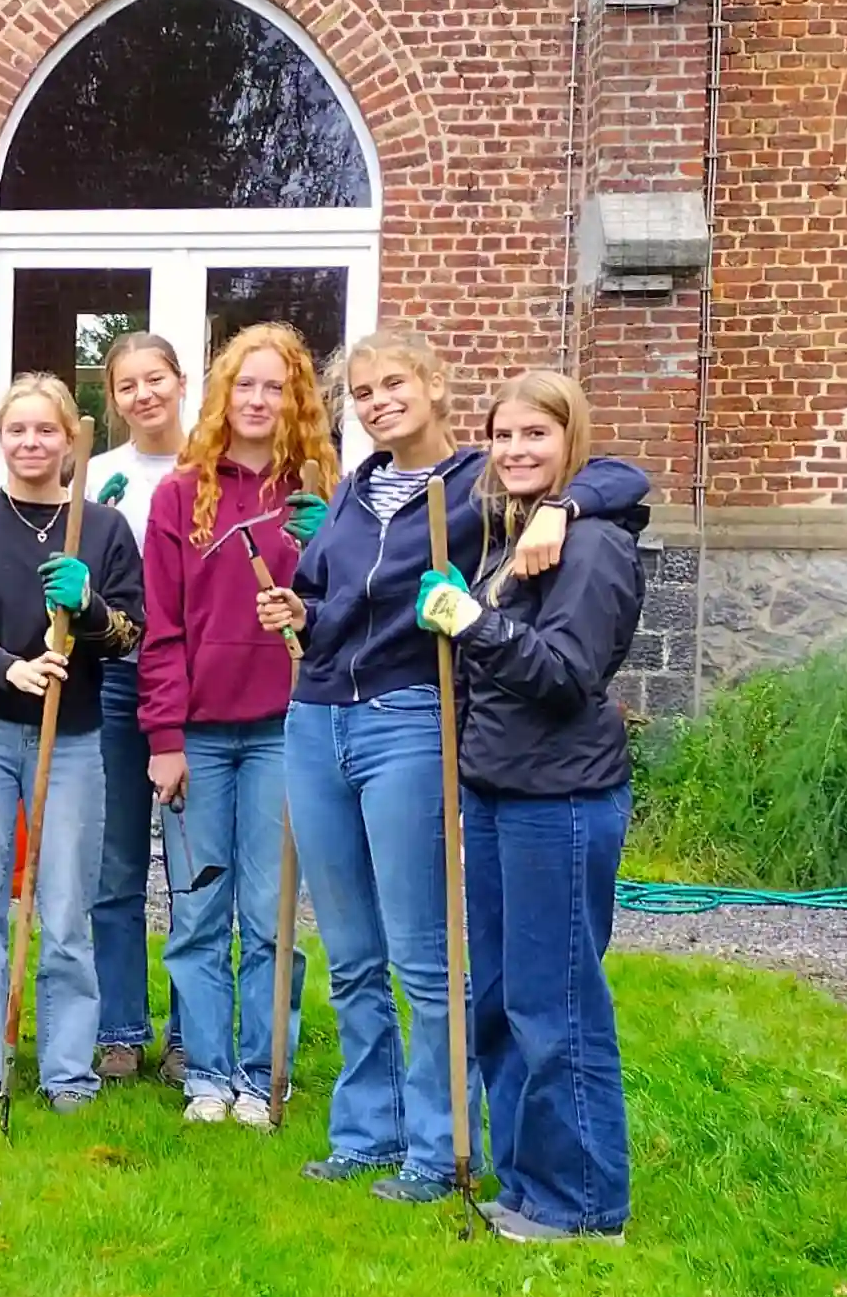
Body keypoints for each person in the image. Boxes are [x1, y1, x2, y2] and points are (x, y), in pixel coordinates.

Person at [254, 327, 649, 1204]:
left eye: (393, 383)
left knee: (423, 953)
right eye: (361, 393)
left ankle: (437, 1145)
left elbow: (619, 478)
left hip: (407, 718)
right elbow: (331, 602)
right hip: (316, 715)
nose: (378, 402)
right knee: (351, 952)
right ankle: (366, 1130)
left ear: (434, 385)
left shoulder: (482, 484)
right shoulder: (352, 492)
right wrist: (300, 612)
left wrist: (563, 507)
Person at [415, 371, 644, 1244]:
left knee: (556, 1004)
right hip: (498, 790)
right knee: (502, 1000)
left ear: (569, 440)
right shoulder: (514, 534)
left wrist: (474, 623)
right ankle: (526, 1187)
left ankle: (583, 1205)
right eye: (503, 435)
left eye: (535, 435)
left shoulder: (592, 546)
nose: (515, 450)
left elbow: (564, 675)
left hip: (561, 797)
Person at [134, 323, 339, 1127]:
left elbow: (345, 612)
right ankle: (206, 1075)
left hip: (285, 729)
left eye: (274, 387)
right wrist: (163, 738)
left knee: (269, 915)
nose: (257, 400)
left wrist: (320, 571)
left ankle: (262, 1073)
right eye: (243, 385)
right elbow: (160, 628)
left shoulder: (321, 494)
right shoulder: (180, 495)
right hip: (199, 734)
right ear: (222, 394)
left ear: (296, 400)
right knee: (196, 915)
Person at [0, 373, 143, 1112]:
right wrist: (10, 667)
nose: (30, 442)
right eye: (17, 430)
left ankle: (67, 1073)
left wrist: (88, 606)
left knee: (65, 909)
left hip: (72, 736)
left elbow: (128, 633)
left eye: (45, 430)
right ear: (0, 438)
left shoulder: (102, 530)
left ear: (69, 440)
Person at [82, 330, 192, 1082]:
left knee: (191, 866)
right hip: (117, 675)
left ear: (180, 382)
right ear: (113, 398)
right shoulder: (97, 477)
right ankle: (120, 1028)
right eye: (127, 385)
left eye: (155, 379)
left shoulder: (210, 467)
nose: (143, 394)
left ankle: (190, 1032)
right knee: (115, 861)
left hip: (190, 679)